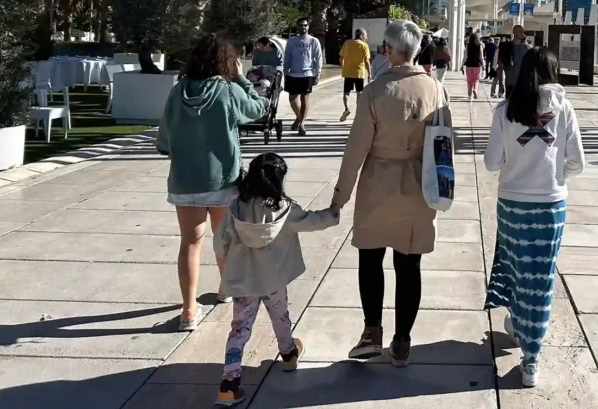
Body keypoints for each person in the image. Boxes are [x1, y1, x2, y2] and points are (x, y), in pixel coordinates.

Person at [331, 20, 452, 368]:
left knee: (370, 258)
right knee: (409, 263)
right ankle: (402, 340)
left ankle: (372, 331)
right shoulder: (435, 90)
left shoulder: (374, 92)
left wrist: (340, 197)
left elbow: (355, 150)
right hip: (418, 184)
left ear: (388, 50)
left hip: (377, 185)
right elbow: (446, 142)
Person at [484, 47, 585, 388]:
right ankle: (531, 359)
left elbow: (491, 162)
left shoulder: (504, 110)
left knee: (516, 267)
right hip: (550, 206)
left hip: (512, 204)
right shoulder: (564, 108)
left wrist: (518, 162)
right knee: (541, 280)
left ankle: (517, 321)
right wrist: (553, 175)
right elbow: (577, 162)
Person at [157, 33, 268, 332]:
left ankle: (188, 311)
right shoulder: (228, 90)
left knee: (190, 243)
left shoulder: (178, 91)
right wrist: (243, 79)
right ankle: (225, 289)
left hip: (184, 180)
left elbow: (164, 138)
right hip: (222, 179)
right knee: (224, 241)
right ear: (226, 61)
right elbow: (259, 109)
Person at [213, 153, 339, 406]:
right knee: (280, 316)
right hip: (274, 279)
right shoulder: (284, 209)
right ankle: (288, 352)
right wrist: (333, 213)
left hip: (244, 282)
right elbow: (312, 222)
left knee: (239, 328)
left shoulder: (235, 207)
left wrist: (228, 264)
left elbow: (220, 243)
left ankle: (229, 384)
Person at [283, 18, 322, 136]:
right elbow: (287, 57)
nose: (303, 27)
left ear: (308, 27)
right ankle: (299, 118)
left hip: (307, 74)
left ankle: (302, 124)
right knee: (292, 100)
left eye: (305, 25)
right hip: (293, 74)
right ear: (297, 26)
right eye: (300, 25)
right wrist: (285, 72)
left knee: (304, 99)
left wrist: (317, 73)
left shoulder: (313, 41)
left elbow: (318, 58)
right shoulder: (291, 41)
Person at [340, 28, 372, 123]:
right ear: (361, 36)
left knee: (346, 92)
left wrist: (343, 67)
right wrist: (369, 73)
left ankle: (346, 108)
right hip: (359, 73)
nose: (366, 38)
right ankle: (358, 112)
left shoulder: (347, 43)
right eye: (365, 36)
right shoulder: (364, 45)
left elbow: (341, 57)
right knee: (359, 93)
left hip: (348, 72)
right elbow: (366, 61)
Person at [502, 25, 532, 91]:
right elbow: (500, 66)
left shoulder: (528, 48)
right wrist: (501, 83)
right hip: (510, 83)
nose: (522, 33)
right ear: (514, 32)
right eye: (519, 31)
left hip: (524, 84)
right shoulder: (507, 47)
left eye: (523, 31)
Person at [463, 32, 484, 99]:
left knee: (469, 80)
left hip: (469, 65)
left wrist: (462, 65)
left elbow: (465, 56)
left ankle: (469, 95)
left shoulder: (468, 45)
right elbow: (481, 57)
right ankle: (475, 89)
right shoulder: (479, 45)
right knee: (476, 79)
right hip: (477, 65)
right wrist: (483, 65)